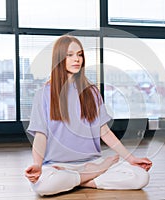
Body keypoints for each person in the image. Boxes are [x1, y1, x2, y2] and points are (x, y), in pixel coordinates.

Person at [25, 35, 152, 196]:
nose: (77, 59)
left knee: (140, 177)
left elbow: (104, 131)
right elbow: (40, 135)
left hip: (91, 162)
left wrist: (131, 159)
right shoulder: (43, 94)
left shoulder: (91, 92)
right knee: (41, 186)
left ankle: (80, 180)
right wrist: (37, 165)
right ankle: (94, 176)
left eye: (80, 54)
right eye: (70, 55)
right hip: (58, 165)